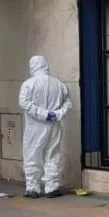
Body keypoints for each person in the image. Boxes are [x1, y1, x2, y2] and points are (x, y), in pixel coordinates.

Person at [19, 55, 72, 199]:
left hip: (35, 127)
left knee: (32, 155)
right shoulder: (60, 84)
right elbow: (68, 103)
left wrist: (43, 114)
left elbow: (24, 104)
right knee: (53, 154)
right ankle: (52, 186)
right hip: (54, 125)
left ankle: (33, 188)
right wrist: (56, 114)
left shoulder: (28, 84)